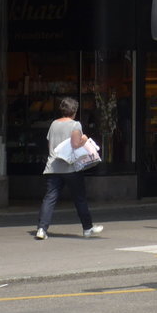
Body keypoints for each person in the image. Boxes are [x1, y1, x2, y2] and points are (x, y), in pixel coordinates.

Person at [35, 96, 103, 240]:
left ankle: (42, 229)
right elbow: (75, 144)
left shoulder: (53, 124)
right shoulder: (75, 125)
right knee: (79, 199)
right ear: (75, 111)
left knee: (50, 198)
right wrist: (84, 139)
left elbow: (50, 145)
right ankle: (87, 228)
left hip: (53, 167)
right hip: (70, 168)